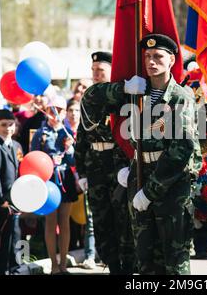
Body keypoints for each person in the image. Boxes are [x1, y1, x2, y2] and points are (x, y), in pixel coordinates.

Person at [82, 34, 199, 274]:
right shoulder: (136, 94)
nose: (151, 61)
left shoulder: (180, 97)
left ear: (171, 60)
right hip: (139, 178)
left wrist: (150, 190)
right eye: (147, 56)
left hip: (171, 189)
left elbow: (181, 149)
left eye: (158, 56)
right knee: (146, 262)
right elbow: (89, 100)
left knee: (174, 263)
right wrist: (122, 87)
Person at [76, 51, 135, 274]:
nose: (96, 75)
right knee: (101, 222)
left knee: (124, 222)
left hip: (118, 165)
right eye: (93, 71)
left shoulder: (123, 98)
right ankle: (113, 266)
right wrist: (81, 172)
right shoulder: (91, 98)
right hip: (96, 168)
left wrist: (126, 166)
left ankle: (128, 268)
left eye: (100, 71)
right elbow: (81, 139)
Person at [31, 96, 77, 275]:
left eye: (60, 109)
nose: (56, 113)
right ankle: (54, 264)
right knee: (50, 222)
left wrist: (70, 148)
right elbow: (32, 157)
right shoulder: (40, 133)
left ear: (65, 112)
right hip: (48, 180)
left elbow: (73, 159)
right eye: (52, 109)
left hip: (65, 178)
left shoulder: (67, 132)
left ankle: (63, 264)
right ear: (46, 111)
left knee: (64, 222)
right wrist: (48, 161)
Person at [0, 109, 23, 275]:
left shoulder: (16, 145)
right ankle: (0, 269)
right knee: (3, 238)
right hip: (3, 201)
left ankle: (16, 268)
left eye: (10, 124)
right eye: (3, 125)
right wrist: (1, 200)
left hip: (17, 199)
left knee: (16, 235)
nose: (8, 128)